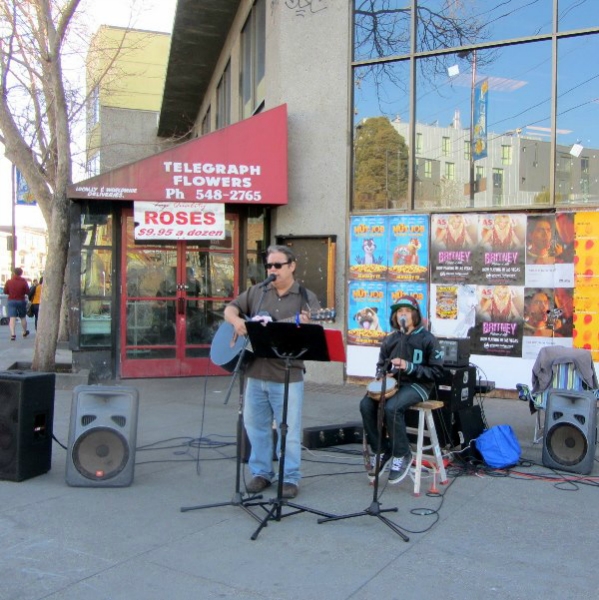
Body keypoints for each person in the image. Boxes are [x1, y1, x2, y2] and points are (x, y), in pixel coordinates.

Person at [224, 244, 321, 499]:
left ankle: (289, 478)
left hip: (286, 374)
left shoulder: (305, 298)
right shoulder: (257, 292)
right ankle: (261, 473)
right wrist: (237, 322)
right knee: (255, 426)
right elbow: (230, 308)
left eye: (278, 265)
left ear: (292, 266)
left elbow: (315, 329)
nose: (273, 270)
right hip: (254, 371)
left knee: (288, 428)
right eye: (269, 265)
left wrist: (304, 325)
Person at [359, 295, 444, 485]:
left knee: (392, 408)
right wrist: (383, 374)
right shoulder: (391, 340)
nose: (402, 315)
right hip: (394, 385)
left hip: (418, 385)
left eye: (406, 311)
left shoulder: (428, 339)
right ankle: (381, 450)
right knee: (366, 404)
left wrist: (409, 366)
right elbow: (381, 365)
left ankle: (402, 453)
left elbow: (437, 372)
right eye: (399, 312)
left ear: (415, 314)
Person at [3, 267, 30, 341]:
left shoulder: (9, 281)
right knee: (23, 317)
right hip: (21, 300)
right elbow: (27, 291)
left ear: (14, 273)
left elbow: (5, 291)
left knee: (12, 317)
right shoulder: (24, 281)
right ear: (21, 273)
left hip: (11, 300)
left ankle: (13, 334)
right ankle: (24, 332)